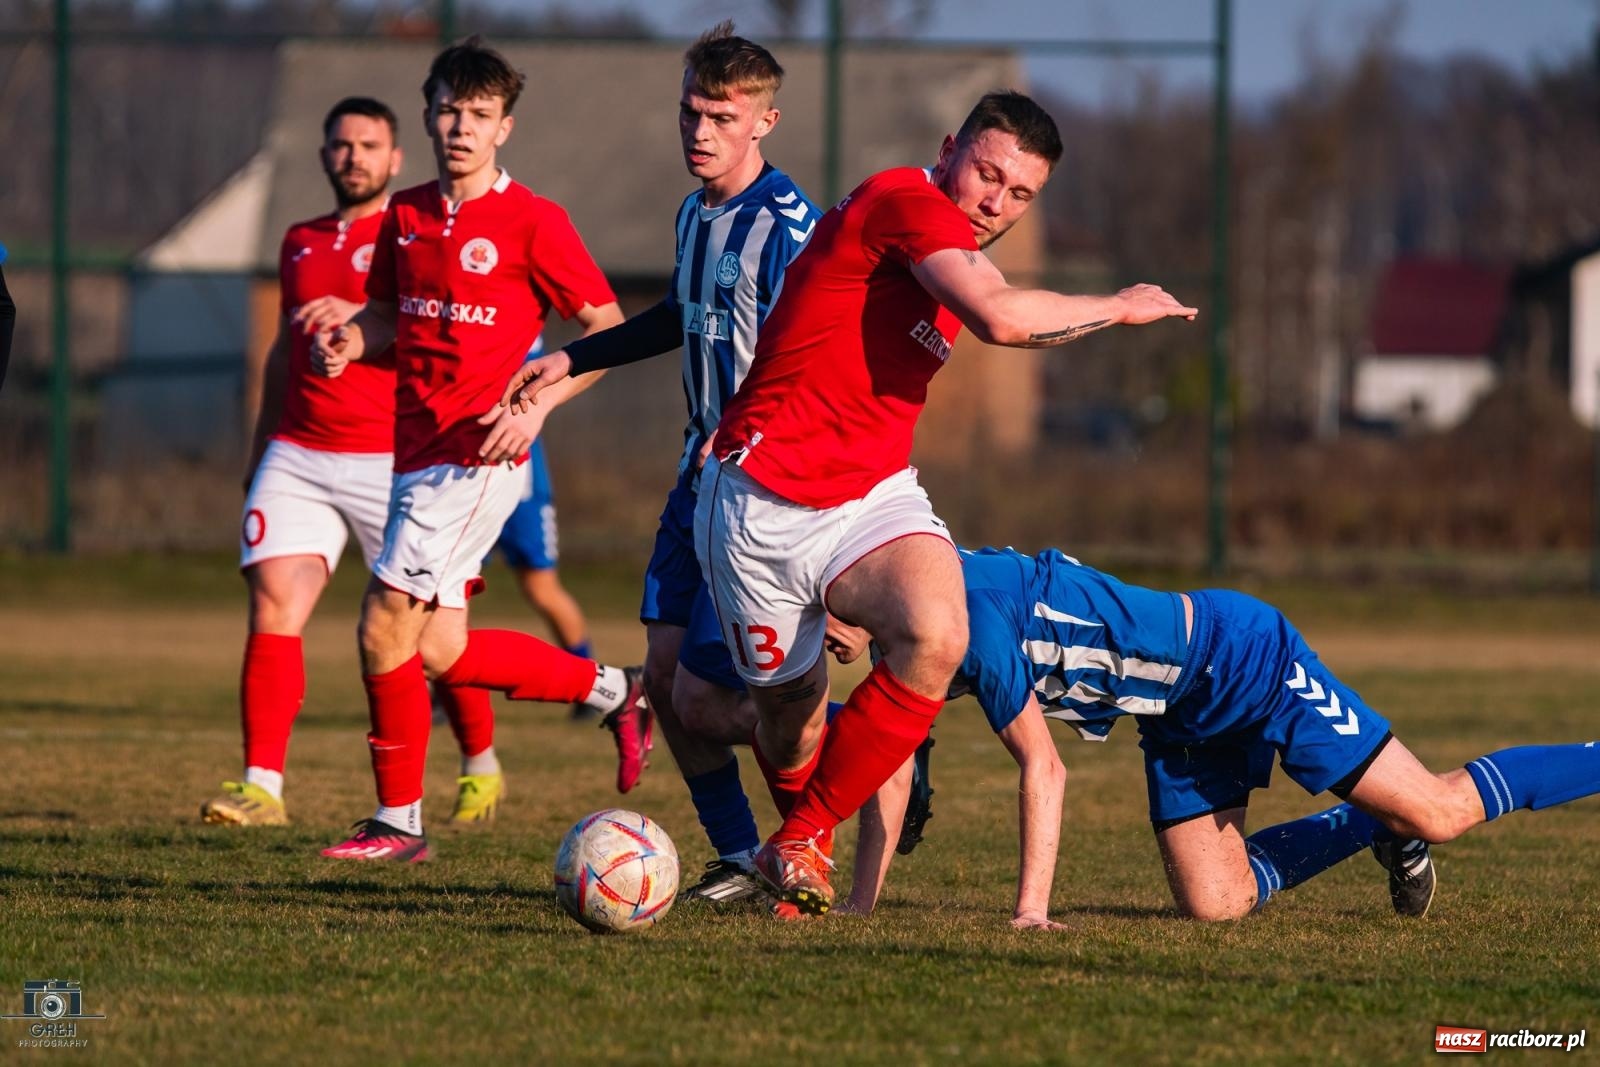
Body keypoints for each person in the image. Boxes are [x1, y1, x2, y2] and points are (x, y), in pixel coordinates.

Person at [676, 90, 1193, 916]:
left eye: (1020, 194)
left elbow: (982, 304)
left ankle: (801, 837)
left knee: (938, 630)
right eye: (987, 174)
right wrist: (1118, 306)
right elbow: (999, 318)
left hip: (873, 493)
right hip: (760, 500)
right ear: (949, 150)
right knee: (789, 722)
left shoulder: (956, 243)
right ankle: (804, 826)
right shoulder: (905, 202)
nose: (997, 201)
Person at [836, 546, 1600, 926]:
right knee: (1217, 903)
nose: (824, 637)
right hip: (1175, 714)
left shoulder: (969, 618)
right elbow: (892, 766)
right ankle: (1371, 819)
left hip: (1242, 656)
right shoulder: (907, 620)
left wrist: (1031, 912)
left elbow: (1045, 767)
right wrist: (858, 913)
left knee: (1440, 809)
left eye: (822, 611)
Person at [497, 23, 816, 901]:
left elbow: (830, 367)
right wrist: (574, 357)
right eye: (690, 110)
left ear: (765, 122)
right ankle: (743, 853)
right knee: (670, 684)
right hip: (696, 477)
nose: (700, 130)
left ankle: (819, 823)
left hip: (766, 489)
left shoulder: (791, 231)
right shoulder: (695, 212)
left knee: (721, 703)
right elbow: (680, 315)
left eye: (721, 115)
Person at [309, 38, 646, 862]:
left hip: (481, 457)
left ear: (506, 128)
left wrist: (538, 409)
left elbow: (606, 333)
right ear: (428, 116)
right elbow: (390, 314)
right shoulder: (408, 214)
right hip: (416, 454)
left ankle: (398, 822)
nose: (462, 126)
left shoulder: (535, 220)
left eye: (481, 114)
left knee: (382, 625)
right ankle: (616, 689)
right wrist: (352, 341)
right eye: (451, 110)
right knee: (440, 649)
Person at [202, 96, 430, 827]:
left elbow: (430, 341)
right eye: (341, 144)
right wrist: (261, 442)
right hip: (298, 452)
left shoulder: (412, 235)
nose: (353, 156)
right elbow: (279, 351)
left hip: (388, 458)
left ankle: (479, 758)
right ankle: (261, 785)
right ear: (325, 154)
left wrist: (359, 320)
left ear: (395, 158)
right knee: (274, 603)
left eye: (369, 145)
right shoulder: (298, 238)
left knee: (432, 635)